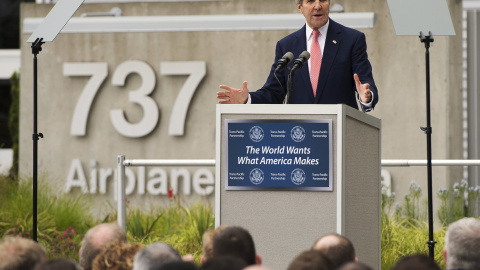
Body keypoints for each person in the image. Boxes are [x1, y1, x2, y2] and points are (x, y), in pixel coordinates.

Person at [217, 0, 378, 112]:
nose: (317, 6)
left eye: (323, 0)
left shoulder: (352, 40)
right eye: (310, 1)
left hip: (341, 134)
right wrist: (247, 99)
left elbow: (365, 82)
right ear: (299, 7)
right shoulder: (286, 46)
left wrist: (366, 96)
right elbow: (274, 93)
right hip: (300, 141)